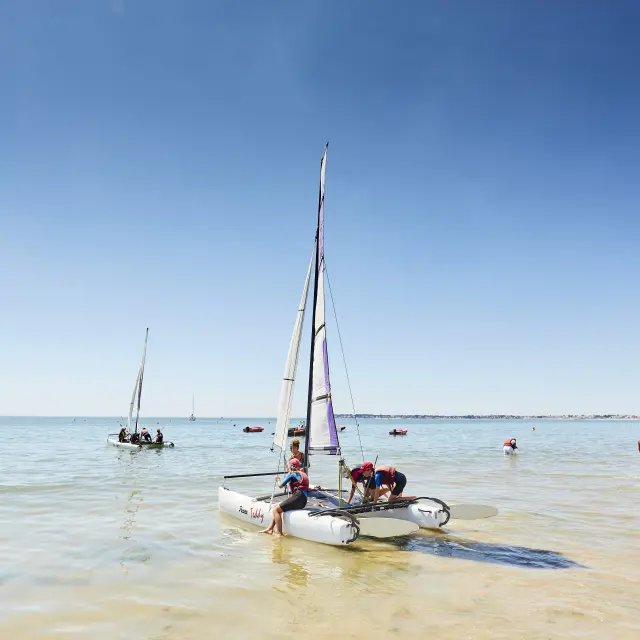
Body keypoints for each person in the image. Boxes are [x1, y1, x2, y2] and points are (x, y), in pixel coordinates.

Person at [260, 458, 309, 536]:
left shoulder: (291, 473)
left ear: (290, 466)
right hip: (303, 501)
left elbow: (280, 486)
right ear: (299, 466)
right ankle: (270, 528)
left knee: (276, 510)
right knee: (276, 506)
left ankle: (280, 534)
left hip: (297, 497)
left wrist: (278, 479)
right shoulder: (303, 474)